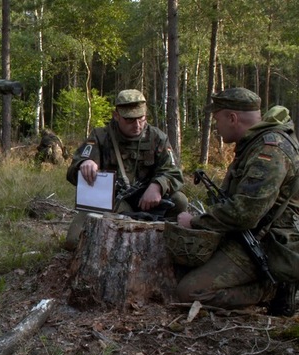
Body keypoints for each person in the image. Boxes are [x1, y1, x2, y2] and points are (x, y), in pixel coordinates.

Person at [175, 88, 299, 316]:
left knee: (189, 292)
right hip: (249, 234)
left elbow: (246, 213)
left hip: (264, 243)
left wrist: (195, 222)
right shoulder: (255, 143)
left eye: (218, 119)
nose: (216, 127)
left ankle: (271, 289)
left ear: (232, 118)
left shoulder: (269, 152)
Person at [63, 89, 188, 250]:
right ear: (117, 116)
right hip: (111, 204)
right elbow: (72, 171)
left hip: (147, 203)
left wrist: (158, 185)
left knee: (180, 200)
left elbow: (174, 172)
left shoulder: (157, 138)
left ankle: (162, 242)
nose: (137, 125)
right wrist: (84, 165)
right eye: (129, 120)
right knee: (74, 241)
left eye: (141, 119)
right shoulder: (101, 137)